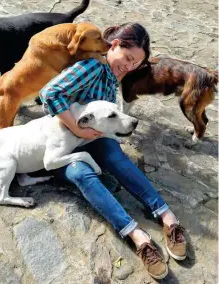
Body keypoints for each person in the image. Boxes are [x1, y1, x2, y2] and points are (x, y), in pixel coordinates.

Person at [39, 22, 187, 280]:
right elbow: (49, 94)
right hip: (62, 141)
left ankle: (167, 217)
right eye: (128, 58)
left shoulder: (111, 76)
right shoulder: (93, 66)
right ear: (115, 45)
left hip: (88, 139)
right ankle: (137, 237)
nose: (128, 67)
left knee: (114, 156)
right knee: (81, 173)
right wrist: (78, 128)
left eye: (135, 64)